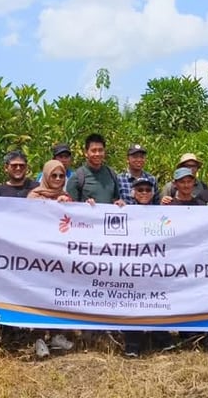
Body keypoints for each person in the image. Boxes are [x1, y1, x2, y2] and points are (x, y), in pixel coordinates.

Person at [121, 177, 175, 357]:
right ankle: (132, 344)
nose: (144, 193)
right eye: (140, 190)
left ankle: (162, 338)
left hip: (155, 267)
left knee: (156, 301)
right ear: (133, 193)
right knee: (133, 303)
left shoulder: (161, 211)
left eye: (147, 190)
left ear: (152, 193)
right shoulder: (124, 210)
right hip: (132, 268)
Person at [26, 160, 75, 357]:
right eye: (53, 175)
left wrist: (70, 205)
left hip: (60, 255)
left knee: (57, 294)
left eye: (61, 176)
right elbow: (27, 218)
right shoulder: (34, 196)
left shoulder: (67, 197)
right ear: (45, 176)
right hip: (39, 254)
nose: (57, 179)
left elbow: (77, 221)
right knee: (40, 295)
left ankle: (56, 336)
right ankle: (39, 339)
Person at [65, 134, 124, 205]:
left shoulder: (111, 173)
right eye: (93, 150)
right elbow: (71, 207)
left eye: (100, 150)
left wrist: (119, 203)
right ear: (86, 153)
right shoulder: (77, 177)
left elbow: (116, 199)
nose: (97, 154)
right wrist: (85, 205)